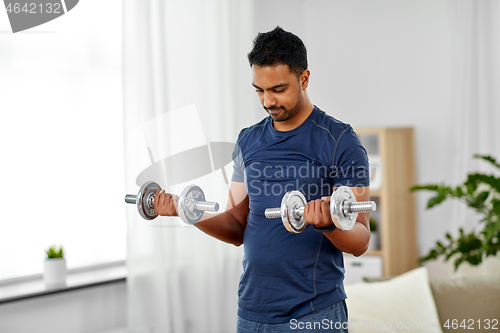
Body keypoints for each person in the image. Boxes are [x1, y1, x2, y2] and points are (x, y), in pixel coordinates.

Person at [154, 26, 371, 332]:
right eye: (259, 89)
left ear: (304, 78)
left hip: (314, 314)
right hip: (253, 313)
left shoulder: (340, 140)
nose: (268, 100)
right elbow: (237, 227)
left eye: (278, 89)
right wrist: (185, 210)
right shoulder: (249, 140)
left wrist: (329, 224)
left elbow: (361, 239)